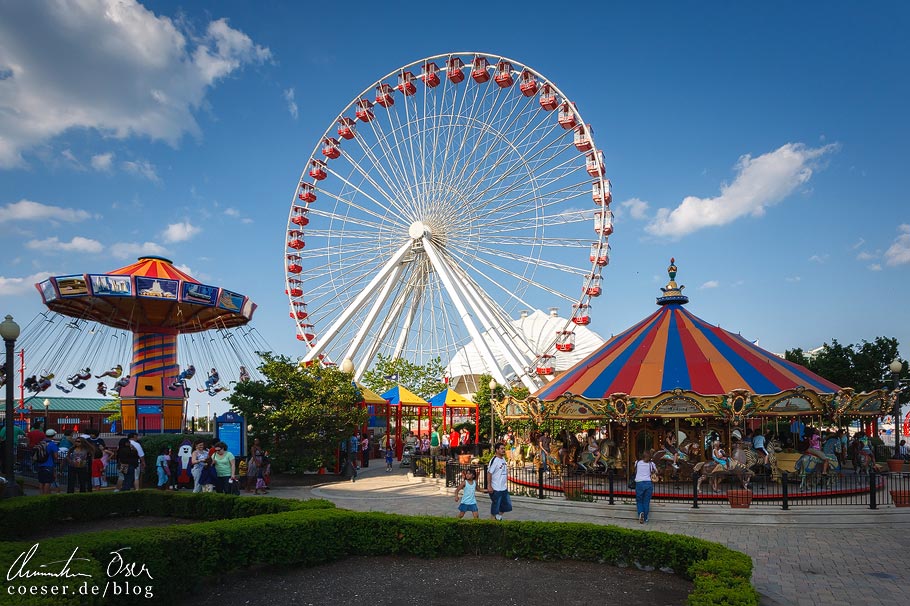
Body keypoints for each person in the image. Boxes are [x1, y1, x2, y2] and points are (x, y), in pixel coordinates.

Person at [486, 442, 512, 521]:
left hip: (503, 488)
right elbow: (489, 473)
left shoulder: (503, 459)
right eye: (501, 449)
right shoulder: (494, 460)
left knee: (507, 506)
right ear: (497, 450)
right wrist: (489, 485)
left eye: (504, 448)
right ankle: (493, 521)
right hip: (496, 488)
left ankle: (498, 517)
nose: (503, 450)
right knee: (495, 508)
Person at [634, 450, 657, 523]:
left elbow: (635, 470)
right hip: (648, 483)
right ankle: (646, 518)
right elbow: (656, 471)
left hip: (639, 483)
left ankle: (641, 512)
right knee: (646, 501)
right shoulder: (651, 464)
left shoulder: (637, 462)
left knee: (639, 500)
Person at [36, 429, 60, 495]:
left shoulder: (41, 443)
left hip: (40, 464)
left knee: (41, 482)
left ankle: (41, 496)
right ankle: (46, 497)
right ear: (53, 435)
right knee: (47, 482)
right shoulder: (52, 444)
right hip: (49, 465)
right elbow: (56, 456)